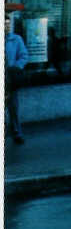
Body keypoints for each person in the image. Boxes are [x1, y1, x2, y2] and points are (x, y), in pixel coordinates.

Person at [5, 14, 29, 144]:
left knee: (13, 108)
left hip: (11, 79)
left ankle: (17, 132)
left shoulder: (16, 39)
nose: (7, 27)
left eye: (9, 24)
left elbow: (24, 55)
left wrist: (16, 67)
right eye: (4, 24)